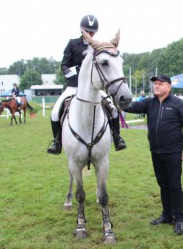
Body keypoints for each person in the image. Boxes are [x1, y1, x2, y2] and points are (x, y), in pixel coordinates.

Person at [124, 74, 183, 235]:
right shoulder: (149, 103)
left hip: (173, 152)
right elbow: (130, 107)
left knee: (174, 186)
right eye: (155, 84)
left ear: (169, 87)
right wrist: (117, 100)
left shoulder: (177, 103)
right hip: (155, 151)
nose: (156, 86)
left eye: (160, 84)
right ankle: (167, 215)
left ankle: (178, 218)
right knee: (163, 185)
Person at [47, 14, 126, 155]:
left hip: (94, 88)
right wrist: (78, 71)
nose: (90, 33)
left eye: (92, 31)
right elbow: (64, 66)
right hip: (74, 86)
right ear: (81, 30)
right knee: (54, 112)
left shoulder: (98, 46)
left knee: (113, 109)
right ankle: (57, 142)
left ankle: (117, 138)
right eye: (87, 31)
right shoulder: (72, 44)